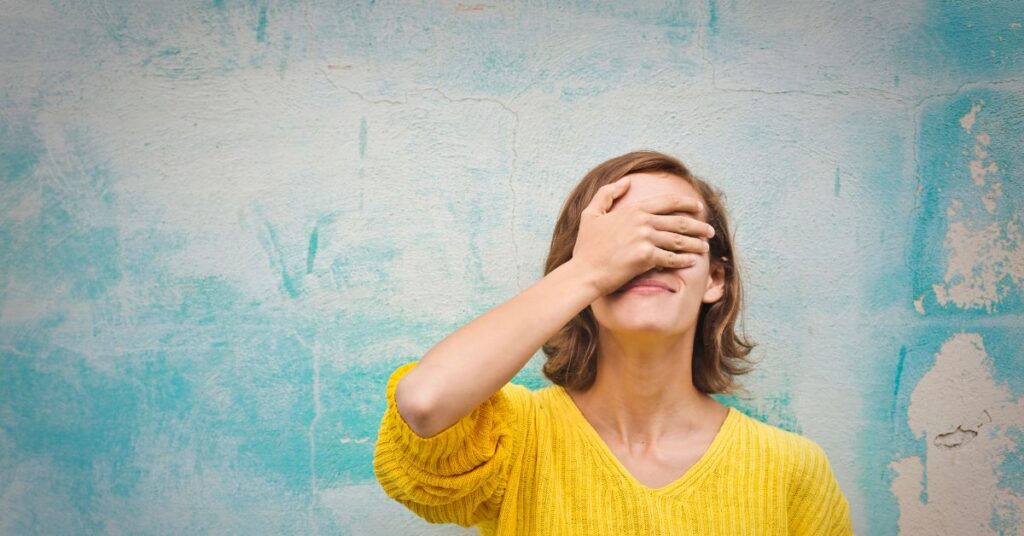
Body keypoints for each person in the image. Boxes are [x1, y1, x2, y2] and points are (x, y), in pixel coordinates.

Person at [373, 150, 854, 535]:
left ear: (714, 279)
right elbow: (424, 402)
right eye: (623, 237)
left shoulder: (792, 469)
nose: (647, 255)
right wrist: (588, 271)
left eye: (675, 232)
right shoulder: (514, 438)